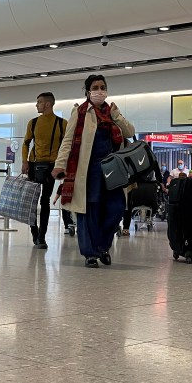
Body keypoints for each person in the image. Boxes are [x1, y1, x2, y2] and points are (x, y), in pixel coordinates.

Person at [52, 75, 136, 268]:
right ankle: (91, 253)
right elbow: (68, 141)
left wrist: (117, 116)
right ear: (88, 91)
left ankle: (102, 246)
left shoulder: (113, 112)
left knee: (116, 209)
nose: (99, 91)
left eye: (103, 87)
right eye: (95, 87)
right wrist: (60, 165)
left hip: (113, 171)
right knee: (89, 212)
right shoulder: (80, 112)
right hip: (88, 170)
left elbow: (130, 132)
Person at [21, 92, 69, 247]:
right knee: (32, 201)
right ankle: (35, 232)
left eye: (39, 102)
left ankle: (42, 236)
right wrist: (24, 161)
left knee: (45, 200)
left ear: (48, 104)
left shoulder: (63, 124)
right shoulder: (33, 123)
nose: (37, 105)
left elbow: (67, 146)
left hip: (51, 167)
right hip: (34, 165)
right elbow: (26, 143)